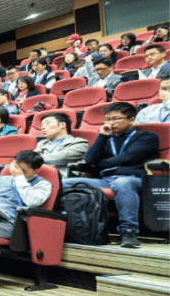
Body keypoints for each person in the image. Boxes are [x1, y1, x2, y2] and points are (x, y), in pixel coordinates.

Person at [64, 103, 159, 248]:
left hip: (136, 179)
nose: (110, 123)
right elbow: (90, 159)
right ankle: (66, 226)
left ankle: (129, 231)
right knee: (63, 183)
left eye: (116, 119)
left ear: (131, 120)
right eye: (107, 119)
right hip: (106, 180)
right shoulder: (106, 139)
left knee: (122, 183)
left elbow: (128, 157)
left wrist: (101, 163)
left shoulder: (147, 136)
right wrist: (102, 136)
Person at [0, 151, 52, 239]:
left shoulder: (43, 184)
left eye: (23, 171)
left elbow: (32, 202)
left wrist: (19, 177)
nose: (17, 172)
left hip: (13, 226)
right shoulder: (1, 179)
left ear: (36, 171)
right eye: (16, 168)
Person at [34, 112, 88, 177]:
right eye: (41, 126)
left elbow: (61, 157)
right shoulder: (42, 143)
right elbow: (31, 161)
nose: (43, 128)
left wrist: (38, 159)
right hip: (40, 178)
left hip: (65, 179)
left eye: (47, 123)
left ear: (62, 124)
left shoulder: (80, 143)